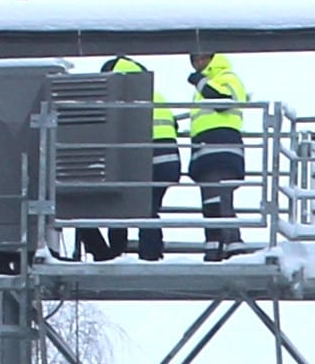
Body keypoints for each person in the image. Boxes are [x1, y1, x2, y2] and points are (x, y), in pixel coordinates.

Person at [71, 55, 170, 260]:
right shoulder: (154, 93)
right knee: (145, 209)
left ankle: (115, 255)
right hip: (168, 158)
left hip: (143, 157)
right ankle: (147, 255)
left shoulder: (121, 94)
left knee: (115, 207)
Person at [172, 52, 253, 257]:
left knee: (220, 199)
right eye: (194, 60)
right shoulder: (208, 84)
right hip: (206, 151)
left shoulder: (227, 77)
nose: (197, 63)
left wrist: (200, 82)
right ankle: (217, 247)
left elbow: (223, 103)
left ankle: (231, 246)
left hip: (222, 148)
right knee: (211, 201)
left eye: (202, 58)